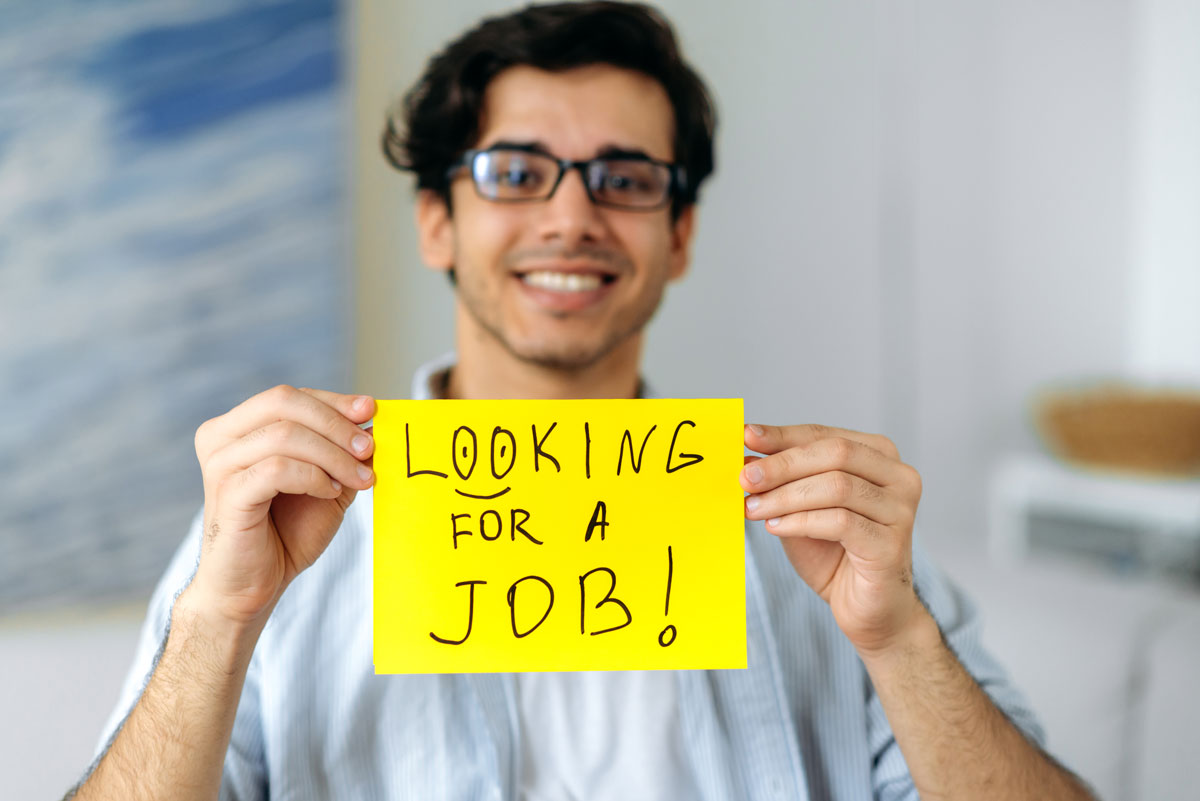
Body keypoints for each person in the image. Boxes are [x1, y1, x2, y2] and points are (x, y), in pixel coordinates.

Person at [71, 3, 1095, 799]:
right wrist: (219, 621)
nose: (572, 216)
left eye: (627, 178)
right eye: (516, 173)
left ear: (678, 236)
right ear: (438, 223)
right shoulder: (270, 546)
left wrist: (901, 640)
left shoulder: (833, 555)